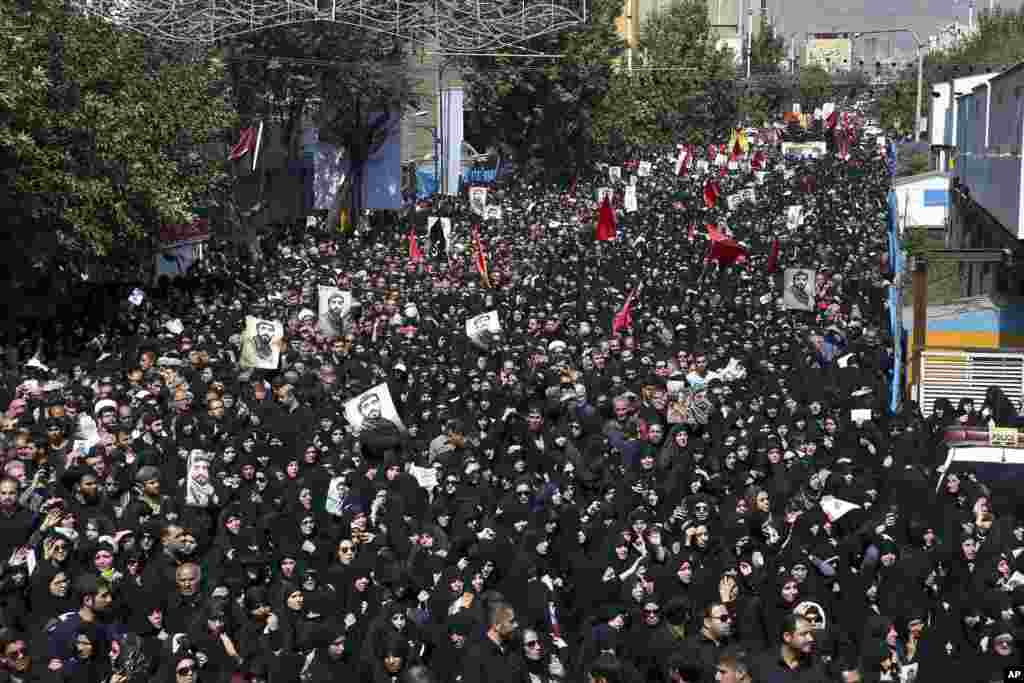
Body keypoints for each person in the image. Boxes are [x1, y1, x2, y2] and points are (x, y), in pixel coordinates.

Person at [749, 614, 827, 683]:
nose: (811, 638)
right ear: (787, 637)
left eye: (810, 633)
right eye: (804, 634)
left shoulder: (815, 663)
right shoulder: (762, 665)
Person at [461, 601, 524, 683]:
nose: (516, 625)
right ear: (496, 625)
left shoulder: (513, 649)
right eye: (511, 622)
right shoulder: (476, 654)